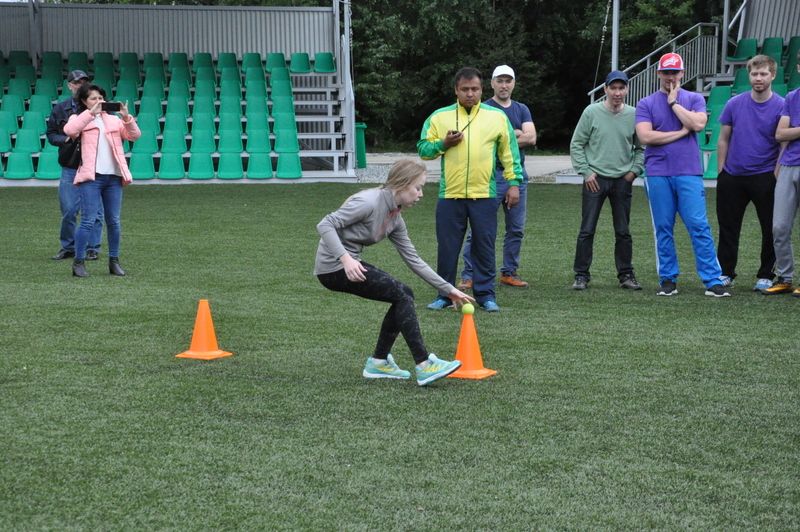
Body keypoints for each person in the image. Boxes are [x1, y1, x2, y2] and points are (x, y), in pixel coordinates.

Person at [315, 159, 474, 386]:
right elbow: (325, 224)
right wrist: (346, 259)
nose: (420, 194)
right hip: (332, 268)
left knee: (402, 294)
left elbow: (414, 260)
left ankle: (379, 362)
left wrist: (448, 289)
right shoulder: (368, 202)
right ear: (402, 184)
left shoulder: (395, 218)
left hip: (349, 264)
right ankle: (423, 365)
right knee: (401, 294)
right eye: (418, 188)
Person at [418, 67, 523, 312]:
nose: (470, 94)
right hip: (450, 195)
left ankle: (486, 295)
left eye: (474, 89)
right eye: (465, 89)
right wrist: (443, 143)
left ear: (481, 89)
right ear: (456, 90)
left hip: (485, 195)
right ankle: (445, 295)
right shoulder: (439, 116)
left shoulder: (496, 117)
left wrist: (514, 183)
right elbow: (423, 149)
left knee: (484, 246)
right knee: (447, 248)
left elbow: (509, 154)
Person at [635, 52, 731, 297]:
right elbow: (646, 137)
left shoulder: (694, 98)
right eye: (666, 72)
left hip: (688, 171)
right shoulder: (646, 103)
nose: (670, 77)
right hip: (657, 173)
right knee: (663, 227)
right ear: (659, 74)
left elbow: (698, 125)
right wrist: (680, 133)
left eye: (674, 72)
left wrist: (674, 103)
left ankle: (712, 279)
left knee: (698, 225)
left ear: (682, 73)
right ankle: (668, 279)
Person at [459, 65, 536, 289]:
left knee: (516, 229)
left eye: (508, 81)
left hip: (517, 176)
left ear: (513, 83)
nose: (504, 85)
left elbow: (531, 138)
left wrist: (505, 137)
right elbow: (478, 140)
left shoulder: (522, 109)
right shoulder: (483, 109)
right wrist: (516, 134)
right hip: (489, 176)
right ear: (491, 84)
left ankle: (509, 272)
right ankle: (469, 274)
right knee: (479, 228)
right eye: (499, 81)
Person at [570, 70, 645, 291]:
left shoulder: (634, 114)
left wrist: (634, 172)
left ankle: (626, 275)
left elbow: (641, 148)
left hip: (622, 180)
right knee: (587, 229)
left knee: (623, 230)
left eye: (621, 88)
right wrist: (586, 172)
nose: (617, 92)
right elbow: (577, 144)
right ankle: (581, 275)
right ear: (605, 90)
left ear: (627, 90)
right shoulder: (591, 112)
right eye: (613, 88)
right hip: (595, 179)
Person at [716, 55, 784, 292]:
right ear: (749, 75)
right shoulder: (734, 104)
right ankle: (725, 273)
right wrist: (722, 171)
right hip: (732, 176)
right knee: (728, 227)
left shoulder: (782, 105)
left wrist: (775, 174)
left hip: (765, 175)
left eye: (763, 73)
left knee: (770, 227)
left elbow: (783, 145)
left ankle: (766, 274)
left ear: (773, 75)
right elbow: (723, 139)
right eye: (754, 74)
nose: (758, 78)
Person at [64, 84, 141, 278]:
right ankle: (78, 263)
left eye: (100, 98)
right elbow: (69, 129)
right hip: (91, 177)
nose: (98, 102)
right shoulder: (80, 118)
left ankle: (114, 261)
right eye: (93, 98)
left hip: (113, 177)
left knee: (114, 221)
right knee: (88, 220)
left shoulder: (114, 121)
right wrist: (90, 113)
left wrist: (126, 116)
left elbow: (134, 135)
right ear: (84, 101)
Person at [46, 70, 103, 261]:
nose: (81, 85)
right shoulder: (60, 109)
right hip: (70, 164)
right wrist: (66, 139)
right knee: (69, 210)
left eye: (85, 81)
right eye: (77, 82)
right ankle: (68, 247)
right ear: (70, 85)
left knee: (95, 211)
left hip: (95, 165)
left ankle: (92, 248)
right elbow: (51, 135)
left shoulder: (100, 107)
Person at [765, 51, 800, 296]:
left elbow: (789, 131)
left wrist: (793, 130)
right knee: (779, 226)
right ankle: (785, 277)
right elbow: (780, 134)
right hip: (789, 165)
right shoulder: (791, 97)